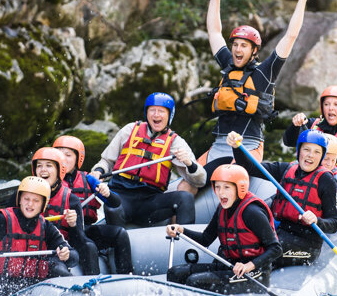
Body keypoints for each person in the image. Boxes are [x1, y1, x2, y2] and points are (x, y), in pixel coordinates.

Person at [201, 0, 316, 181]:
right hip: (219, 142)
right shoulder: (228, 65)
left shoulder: (264, 73)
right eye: (235, 44)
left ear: (254, 51)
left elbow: (290, 36)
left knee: (227, 178)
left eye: (243, 46)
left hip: (249, 144)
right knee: (189, 181)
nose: (237, 49)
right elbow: (214, 31)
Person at [90, 92, 206, 227]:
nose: (156, 115)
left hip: (150, 202)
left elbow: (201, 180)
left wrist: (189, 164)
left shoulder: (175, 143)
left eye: (161, 111)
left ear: (170, 115)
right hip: (121, 196)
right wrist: (98, 171)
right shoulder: (129, 130)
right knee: (112, 204)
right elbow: (106, 161)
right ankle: (115, 242)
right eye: (153, 110)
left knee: (185, 198)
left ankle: (185, 244)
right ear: (146, 113)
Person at [229, 129, 337, 268]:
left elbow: (334, 223)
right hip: (280, 233)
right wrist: (237, 147)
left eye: (317, 152)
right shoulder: (286, 169)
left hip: (307, 245)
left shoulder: (326, 180)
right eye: (306, 149)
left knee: (261, 253)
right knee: (245, 245)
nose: (311, 156)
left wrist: (316, 220)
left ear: (322, 155)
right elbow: (249, 167)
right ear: (299, 150)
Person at [165, 164, 281, 294]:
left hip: (254, 275)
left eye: (226, 187)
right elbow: (205, 239)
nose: (221, 193)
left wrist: (248, 266)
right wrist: (181, 230)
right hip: (229, 266)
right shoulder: (222, 209)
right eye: (218, 187)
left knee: (194, 281)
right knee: (175, 273)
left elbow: (275, 249)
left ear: (239, 188)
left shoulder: (252, 212)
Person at [0, 176, 77, 296]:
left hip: (35, 284)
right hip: (0, 282)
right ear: (19, 200)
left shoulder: (47, 228)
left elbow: (74, 257)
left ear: (43, 204)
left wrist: (66, 254)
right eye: (26, 199)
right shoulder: (0, 220)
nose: (30, 204)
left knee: (59, 269)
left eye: (36, 200)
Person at [53, 135, 133, 274]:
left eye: (68, 155)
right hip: (61, 233)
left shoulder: (88, 179)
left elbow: (116, 203)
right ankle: (91, 286)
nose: (63, 159)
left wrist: (107, 193)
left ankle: (126, 275)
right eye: (59, 154)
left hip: (85, 229)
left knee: (119, 233)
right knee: (88, 246)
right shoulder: (49, 181)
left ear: (78, 159)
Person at [282, 85, 337, 213]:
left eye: (336, 104)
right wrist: (295, 126)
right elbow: (288, 142)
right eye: (326, 104)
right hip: (305, 183)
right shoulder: (310, 125)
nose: (330, 108)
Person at [31, 146, 100, 274]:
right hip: (30, 248)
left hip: (59, 250)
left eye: (49, 166)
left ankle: (92, 284)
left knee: (88, 246)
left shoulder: (71, 200)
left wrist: (73, 225)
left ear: (60, 170)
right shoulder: (23, 195)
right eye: (39, 166)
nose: (43, 170)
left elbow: (79, 240)